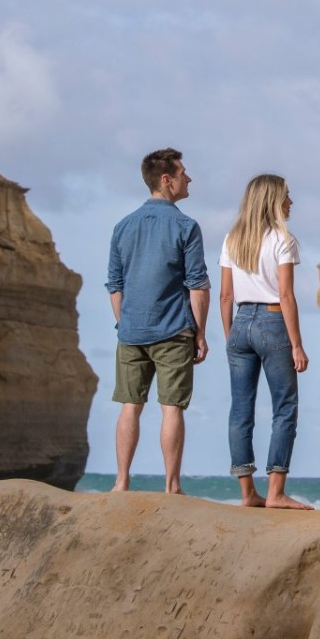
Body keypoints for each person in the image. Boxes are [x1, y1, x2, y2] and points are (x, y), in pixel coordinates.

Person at [105, 148, 209, 495]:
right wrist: (201, 333)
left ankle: (121, 481)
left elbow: (115, 286)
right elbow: (197, 285)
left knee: (129, 407)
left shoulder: (123, 226)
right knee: (171, 408)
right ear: (167, 181)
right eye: (183, 173)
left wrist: (125, 323)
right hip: (173, 330)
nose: (188, 179)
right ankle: (172, 485)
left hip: (131, 331)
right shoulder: (185, 226)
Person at [220, 173, 313, 510]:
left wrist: (231, 333)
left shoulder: (232, 239)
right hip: (274, 321)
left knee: (240, 411)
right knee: (284, 408)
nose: (291, 202)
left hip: (240, 323)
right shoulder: (282, 240)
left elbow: (226, 295)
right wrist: (298, 344)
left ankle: (248, 494)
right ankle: (275, 493)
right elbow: (287, 296)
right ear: (273, 200)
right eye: (287, 196)